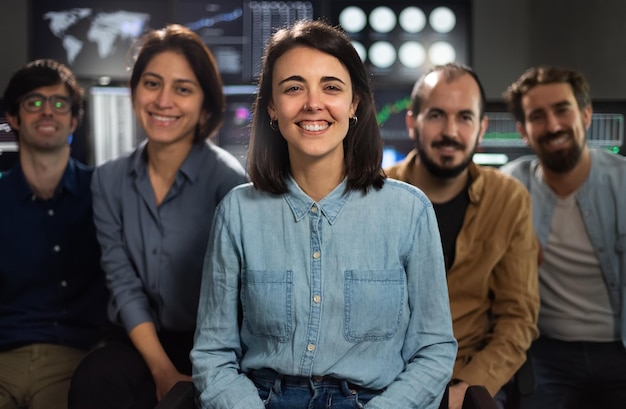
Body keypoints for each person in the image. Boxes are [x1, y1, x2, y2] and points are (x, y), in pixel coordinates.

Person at [190, 19, 457, 409]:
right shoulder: (237, 213)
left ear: (354, 105)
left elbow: (433, 352)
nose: (313, 102)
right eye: (294, 87)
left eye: (331, 87)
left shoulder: (409, 212)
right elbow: (212, 355)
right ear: (272, 108)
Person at [67, 24, 247, 409]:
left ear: (206, 106)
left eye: (183, 89)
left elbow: (237, 299)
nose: (163, 101)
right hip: (137, 336)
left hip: (213, 344)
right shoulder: (108, 179)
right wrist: (163, 372)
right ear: (134, 92)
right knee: (96, 380)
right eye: (152, 84)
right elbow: (123, 283)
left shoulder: (230, 182)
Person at [384, 63, 540, 409]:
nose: (450, 131)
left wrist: (468, 388)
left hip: (468, 376)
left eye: (465, 117)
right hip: (386, 379)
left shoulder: (508, 199)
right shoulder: (374, 192)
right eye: (437, 115)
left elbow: (517, 319)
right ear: (413, 122)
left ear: (481, 128)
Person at [500, 65, 626, 409]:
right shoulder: (509, 188)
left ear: (586, 114)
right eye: (537, 116)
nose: (553, 126)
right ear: (523, 131)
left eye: (562, 110)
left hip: (619, 348)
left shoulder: (623, 181)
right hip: (546, 351)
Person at [0, 59, 110, 409]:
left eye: (59, 103)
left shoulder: (106, 193)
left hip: (76, 359)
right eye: (33, 102)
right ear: (14, 118)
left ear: (74, 120)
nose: (47, 111)